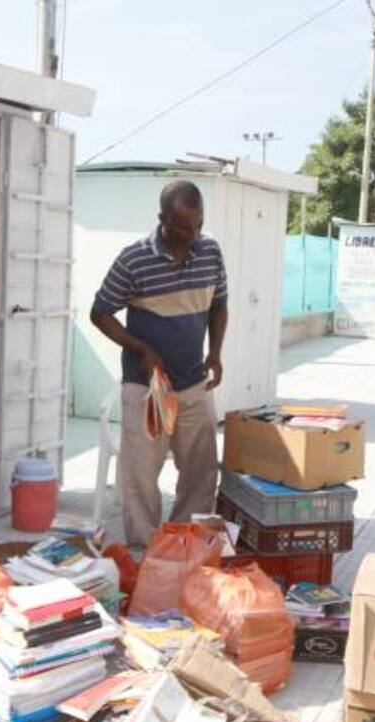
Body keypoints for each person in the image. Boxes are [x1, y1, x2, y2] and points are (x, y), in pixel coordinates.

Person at [89, 180, 228, 548]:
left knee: (200, 471)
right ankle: (143, 550)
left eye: (198, 225)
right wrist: (141, 349)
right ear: (162, 219)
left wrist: (215, 352)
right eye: (184, 227)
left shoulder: (210, 251)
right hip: (146, 387)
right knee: (139, 475)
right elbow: (100, 313)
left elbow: (219, 306)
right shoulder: (134, 259)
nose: (193, 234)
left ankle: (183, 544)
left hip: (193, 383)